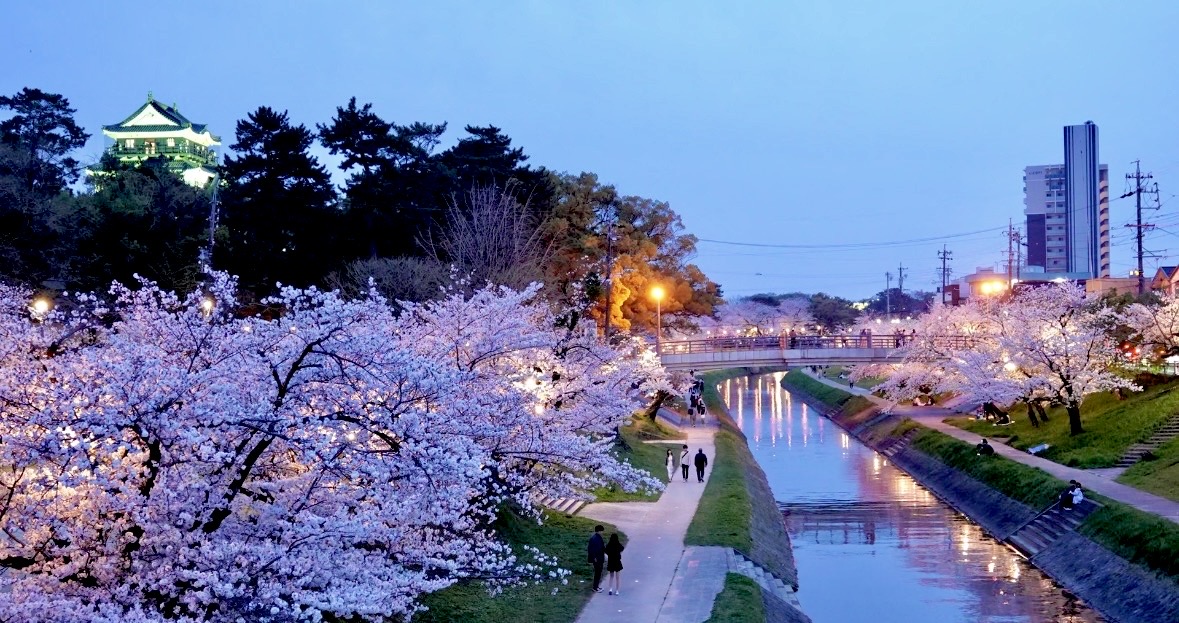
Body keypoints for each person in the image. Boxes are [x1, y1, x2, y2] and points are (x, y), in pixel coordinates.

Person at [587, 525, 606, 592]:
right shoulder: (596, 539)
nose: (602, 532)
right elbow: (593, 550)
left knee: (598, 573)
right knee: (598, 573)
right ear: (599, 531)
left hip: (598, 558)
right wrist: (594, 558)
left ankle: (596, 586)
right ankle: (595, 587)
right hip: (598, 559)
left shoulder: (595, 538)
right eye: (602, 531)